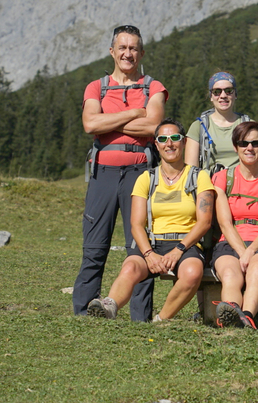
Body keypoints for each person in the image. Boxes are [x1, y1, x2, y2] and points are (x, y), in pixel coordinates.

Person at [74, 25, 168, 321]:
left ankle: (140, 317)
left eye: (134, 48)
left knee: (139, 246)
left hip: (140, 172)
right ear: (112, 51)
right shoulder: (96, 87)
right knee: (94, 245)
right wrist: (133, 113)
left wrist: (107, 121)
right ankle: (83, 311)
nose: (128, 53)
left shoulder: (153, 87)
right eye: (122, 48)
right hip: (102, 172)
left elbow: (153, 127)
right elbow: (89, 125)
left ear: (142, 53)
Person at [87, 119, 213, 322]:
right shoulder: (146, 178)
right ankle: (109, 306)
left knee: (192, 273)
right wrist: (148, 254)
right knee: (130, 266)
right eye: (163, 139)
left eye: (175, 138)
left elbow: (204, 222)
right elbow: (136, 224)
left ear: (184, 143)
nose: (169, 144)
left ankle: (161, 319)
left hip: (186, 244)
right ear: (156, 144)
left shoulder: (199, 177)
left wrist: (179, 249)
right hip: (153, 243)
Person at [211, 121, 258, 329]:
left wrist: (251, 250)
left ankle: (246, 317)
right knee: (230, 273)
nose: (250, 148)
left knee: (256, 268)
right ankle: (231, 312)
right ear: (236, 146)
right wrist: (241, 251)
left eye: (255, 143)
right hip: (230, 241)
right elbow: (225, 224)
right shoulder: (221, 178)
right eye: (244, 143)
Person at [186, 71, 251, 173]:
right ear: (211, 96)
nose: (223, 95)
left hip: (242, 186)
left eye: (228, 91)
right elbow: (191, 171)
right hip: (208, 186)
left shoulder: (249, 125)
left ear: (235, 94)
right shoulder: (199, 127)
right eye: (217, 92)